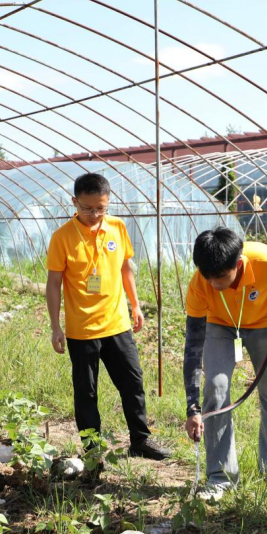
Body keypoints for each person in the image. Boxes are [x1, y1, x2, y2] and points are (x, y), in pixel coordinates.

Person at [46, 172, 169, 460]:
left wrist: (135, 305)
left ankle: (140, 440)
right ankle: (93, 452)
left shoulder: (117, 227)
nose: (94, 214)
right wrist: (55, 326)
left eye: (101, 208)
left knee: (133, 383)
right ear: (74, 202)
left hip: (117, 324)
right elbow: (54, 284)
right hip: (81, 330)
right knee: (86, 393)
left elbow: (126, 268)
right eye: (87, 208)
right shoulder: (62, 237)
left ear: (108, 202)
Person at [182, 227, 267, 501]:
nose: (214, 284)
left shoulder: (265, 259)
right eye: (208, 277)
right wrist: (192, 406)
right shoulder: (199, 283)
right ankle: (221, 477)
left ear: (238, 264)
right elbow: (193, 346)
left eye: (221, 278)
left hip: (266, 323)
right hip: (221, 326)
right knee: (215, 392)